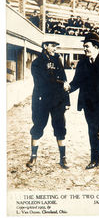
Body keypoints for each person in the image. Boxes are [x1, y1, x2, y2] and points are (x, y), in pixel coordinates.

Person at [65, 32, 99, 175]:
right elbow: (77, 81)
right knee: (93, 133)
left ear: (96, 46)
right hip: (88, 105)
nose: (85, 49)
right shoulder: (82, 63)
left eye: (87, 46)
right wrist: (69, 87)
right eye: (84, 47)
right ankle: (94, 160)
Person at [26, 41, 70, 169]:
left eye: (56, 46)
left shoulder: (58, 60)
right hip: (42, 100)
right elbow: (43, 81)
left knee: (60, 127)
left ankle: (63, 158)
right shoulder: (37, 63)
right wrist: (61, 83)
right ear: (45, 46)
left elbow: (65, 80)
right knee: (38, 126)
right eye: (53, 45)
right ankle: (33, 157)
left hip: (57, 100)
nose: (55, 48)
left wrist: (67, 101)